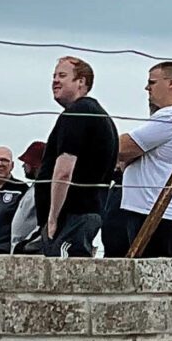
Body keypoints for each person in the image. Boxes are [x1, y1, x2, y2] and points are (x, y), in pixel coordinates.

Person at [36, 56, 117, 257]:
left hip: (73, 215)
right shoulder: (100, 115)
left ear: (81, 81)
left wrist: (52, 217)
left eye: (62, 75)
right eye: (54, 76)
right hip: (85, 213)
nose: (55, 81)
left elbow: (64, 171)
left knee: (62, 269)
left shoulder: (78, 113)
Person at [114, 62, 172, 257]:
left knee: (150, 271)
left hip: (156, 212)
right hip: (152, 209)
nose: (147, 88)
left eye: (152, 82)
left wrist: (99, 137)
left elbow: (124, 147)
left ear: (171, 83)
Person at [9, 142, 46, 254]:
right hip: (20, 249)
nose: (23, 166)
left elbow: (44, 225)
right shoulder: (34, 188)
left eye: (27, 162)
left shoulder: (44, 190)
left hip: (30, 252)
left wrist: (26, 246)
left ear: (35, 164)